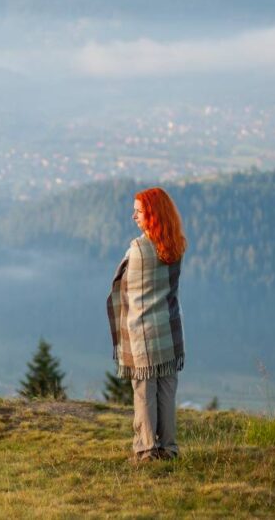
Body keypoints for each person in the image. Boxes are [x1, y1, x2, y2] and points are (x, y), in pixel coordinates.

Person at [106, 187, 187, 462]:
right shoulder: (176, 245)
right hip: (168, 329)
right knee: (166, 392)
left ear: (151, 214)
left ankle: (145, 449)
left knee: (143, 393)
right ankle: (168, 448)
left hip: (142, 333)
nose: (134, 216)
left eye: (139, 211)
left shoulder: (139, 249)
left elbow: (127, 287)